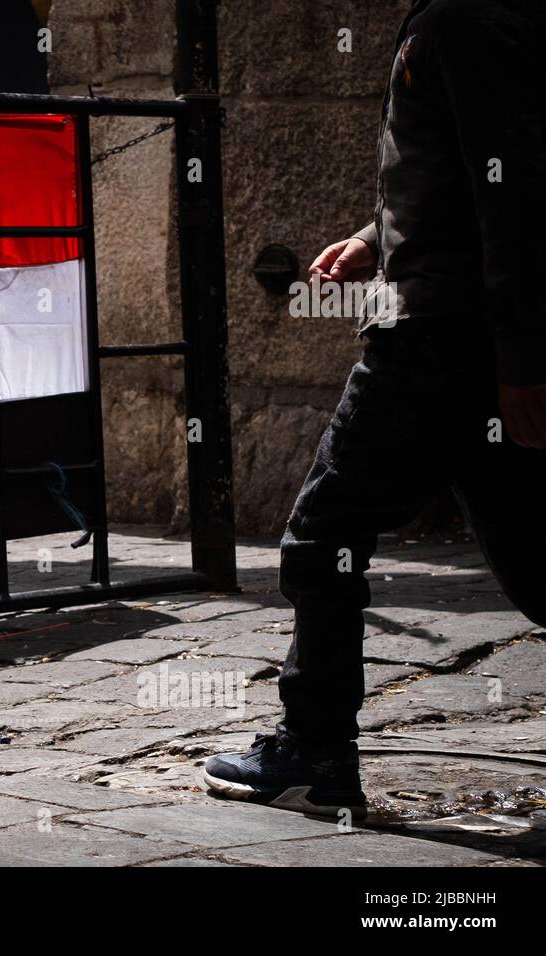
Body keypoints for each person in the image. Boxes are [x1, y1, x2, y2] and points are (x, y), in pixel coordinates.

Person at [203, 0, 546, 817]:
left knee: (324, 533)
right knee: (539, 557)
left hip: (437, 339)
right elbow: (459, 164)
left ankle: (313, 755)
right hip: (468, 333)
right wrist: (374, 236)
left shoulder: (466, 22)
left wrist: (524, 364)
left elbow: (515, 190)